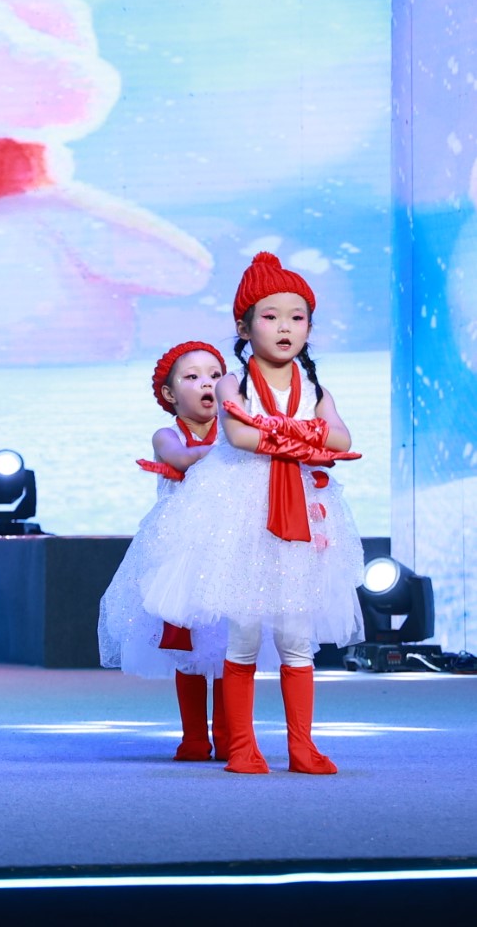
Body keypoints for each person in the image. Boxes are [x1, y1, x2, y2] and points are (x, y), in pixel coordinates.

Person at [143, 253, 364, 774]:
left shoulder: (316, 390)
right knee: (243, 631)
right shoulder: (232, 384)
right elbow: (241, 437)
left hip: (302, 513)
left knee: (295, 635)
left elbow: (341, 438)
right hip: (241, 511)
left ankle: (302, 746)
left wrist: (288, 431)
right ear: (244, 327)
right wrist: (306, 439)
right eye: (270, 316)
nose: (285, 327)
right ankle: (241, 745)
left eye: (297, 317)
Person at [98, 342, 233, 761]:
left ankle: (229, 734)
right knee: (186, 645)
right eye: (193, 377)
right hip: (181, 553)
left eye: (215, 375)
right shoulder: (168, 435)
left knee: (229, 647)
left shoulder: (235, 430)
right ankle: (194, 736)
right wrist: (236, 445)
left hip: (229, 547)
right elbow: (183, 458)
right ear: (170, 393)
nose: (207, 383)